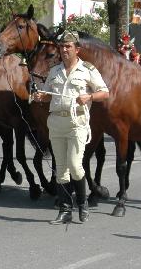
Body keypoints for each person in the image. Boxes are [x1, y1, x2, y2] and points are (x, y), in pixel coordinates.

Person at [31, 31, 109, 224]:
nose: (64, 50)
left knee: (75, 165)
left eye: (68, 46)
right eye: (62, 46)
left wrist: (89, 97)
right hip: (56, 122)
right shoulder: (55, 71)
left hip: (77, 123)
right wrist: (42, 97)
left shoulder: (87, 70)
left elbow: (104, 92)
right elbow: (50, 94)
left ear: (77, 49)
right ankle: (65, 209)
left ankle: (82, 204)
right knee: (61, 169)